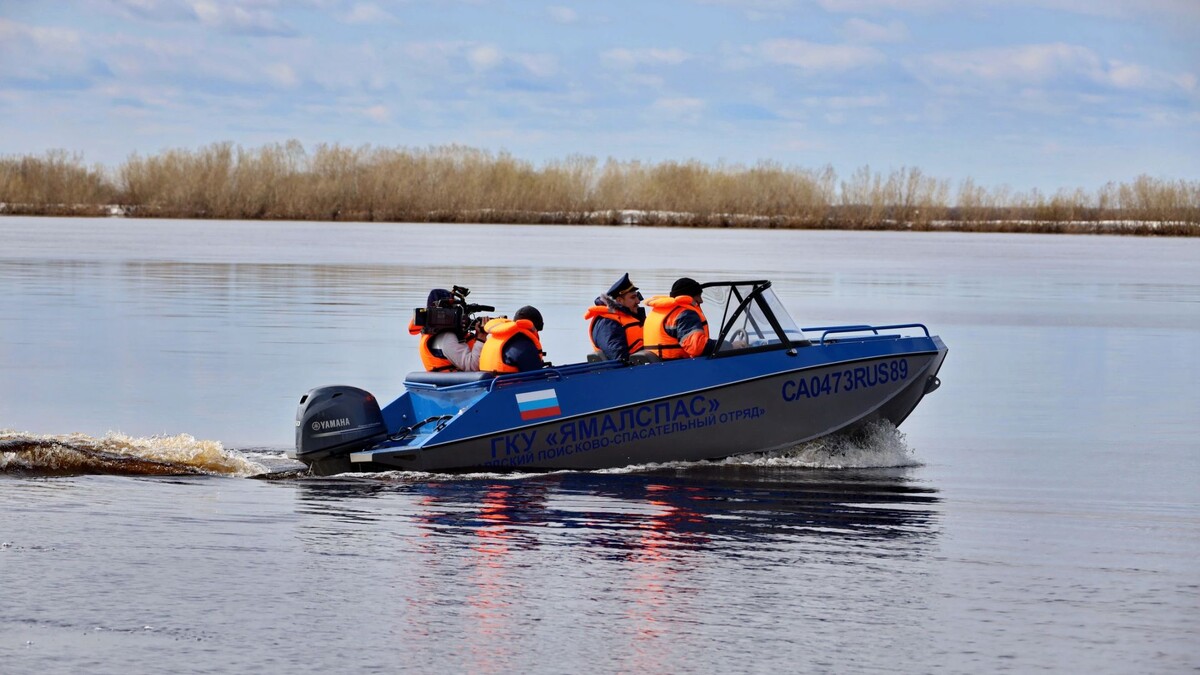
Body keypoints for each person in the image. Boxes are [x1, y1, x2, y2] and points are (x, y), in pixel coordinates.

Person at [413, 288, 484, 372]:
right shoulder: (446, 338)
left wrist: (477, 336)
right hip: (458, 379)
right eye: (454, 308)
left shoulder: (434, 332)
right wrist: (481, 338)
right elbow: (473, 367)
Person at [643, 277, 714, 360]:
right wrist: (721, 345)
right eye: (698, 296)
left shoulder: (656, 312)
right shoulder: (685, 314)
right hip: (677, 365)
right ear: (688, 296)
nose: (701, 300)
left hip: (657, 364)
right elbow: (696, 347)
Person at [584, 272, 645, 361]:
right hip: (627, 369)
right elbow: (618, 356)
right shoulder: (607, 322)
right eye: (633, 297)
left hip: (642, 365)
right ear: (619, 300)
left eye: (637, 297)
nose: (638, 301)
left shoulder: (632, 317)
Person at [480, 305, 546, 373]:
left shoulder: (495, 337)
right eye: (537, 330)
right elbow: (535, 373)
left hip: (489, 378)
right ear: (532, 327)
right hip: (509, 380)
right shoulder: (523, 345)